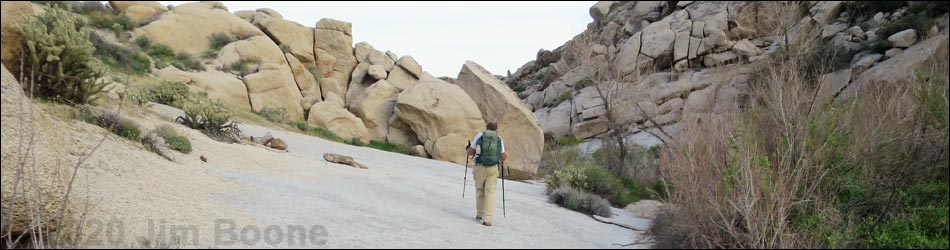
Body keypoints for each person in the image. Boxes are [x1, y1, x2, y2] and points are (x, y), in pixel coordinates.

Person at [466, 122, 507, 227]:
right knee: (490, 192)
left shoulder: (480, 135)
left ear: (487, 128)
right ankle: (487, 219)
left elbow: (470, 152)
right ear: (496, 129)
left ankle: (479, 214)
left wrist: (467, 148)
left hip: (480, 167)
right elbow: (503, 157)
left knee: (480, 189)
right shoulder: (499, 138)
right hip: (492, 168)